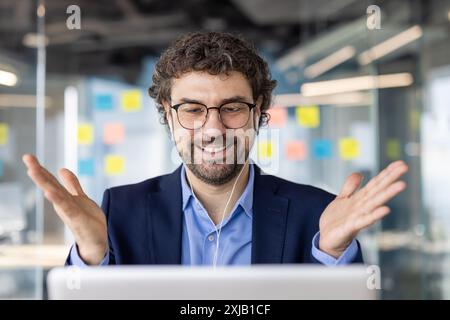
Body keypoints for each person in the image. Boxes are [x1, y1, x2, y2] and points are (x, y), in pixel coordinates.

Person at [22, 32, 408, 267]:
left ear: (257, 113)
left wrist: (333, 254)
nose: (213, 129)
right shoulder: (119, 212)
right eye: (192, 110)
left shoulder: (318, 215)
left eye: (233, 108)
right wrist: (90, 256)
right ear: (168, 116)